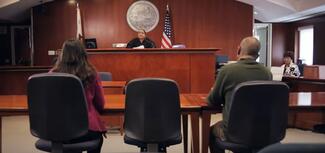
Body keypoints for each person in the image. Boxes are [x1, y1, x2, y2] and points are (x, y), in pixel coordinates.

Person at [207, 37, 272, 153]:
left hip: (233, 132)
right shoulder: (267, 73)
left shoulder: (227, 71)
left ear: (239, 49)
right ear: (257, 54)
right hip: (261, 130)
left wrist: (213, 91)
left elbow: (213, 101)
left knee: (211, 132)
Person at [51, 39, 106, 153]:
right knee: (97, 138)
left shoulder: (52, 74)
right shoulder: (91, 74)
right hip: (87, 128)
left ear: (63, 54)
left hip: (59, 128)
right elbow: (100, 103)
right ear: (83, 54)